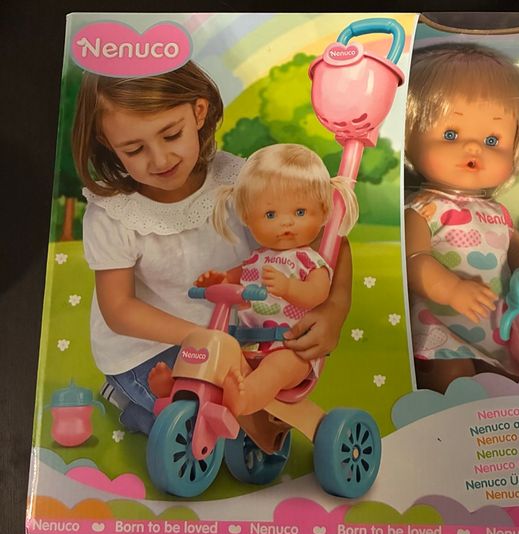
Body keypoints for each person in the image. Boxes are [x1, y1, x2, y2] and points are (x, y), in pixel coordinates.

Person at [72, 63, 352, 434]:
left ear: (199, 112)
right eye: (135, 149)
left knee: (254, 416)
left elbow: (326, 238)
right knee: (204, 428)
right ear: (108, 141)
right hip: (146, 349)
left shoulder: (242, 181)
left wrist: (335, 309)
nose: (160, 160)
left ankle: (169, 411)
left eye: (172, 135)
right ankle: (130, 401)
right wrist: (201, 338)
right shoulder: (113, 214)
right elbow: (120, 309)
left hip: (236, 337)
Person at [404, 44, 519, 393]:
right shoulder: (422, 209)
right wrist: (452, 289)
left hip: (494, 326)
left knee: (512, 383)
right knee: (452, 377)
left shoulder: (497, 213)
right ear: (410, 136)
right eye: (451, 135)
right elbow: (413, 260)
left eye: (492, 140)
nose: (473, 148)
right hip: (440, 323)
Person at [190, 143, 358, 416]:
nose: (286, 223)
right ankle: (185, 391)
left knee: (275, 368)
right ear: (248, 219)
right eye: (271, 215)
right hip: (249, 343)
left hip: (290, 348)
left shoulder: (309, 260)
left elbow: (318, 293)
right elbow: (236, 280)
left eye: (300, 212)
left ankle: (245, 399)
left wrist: (289, 287)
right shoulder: (256, 259)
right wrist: (220, 280)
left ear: (323, 213)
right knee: (216, 354)